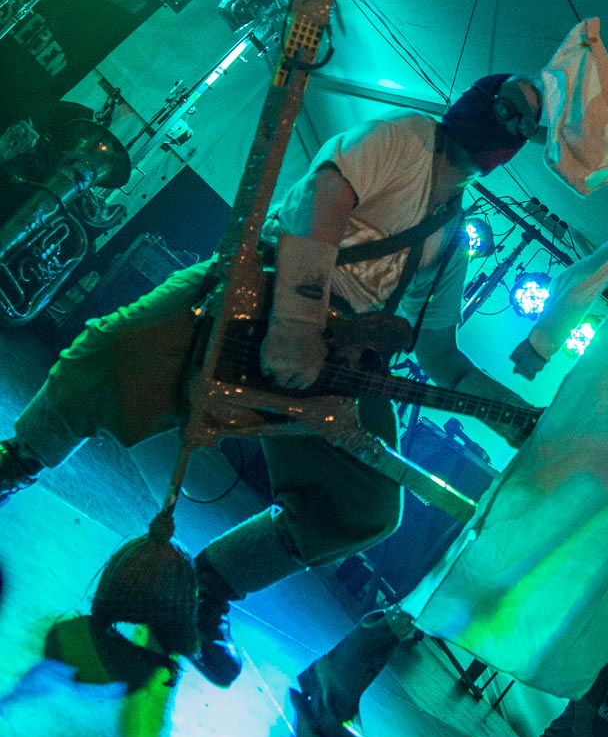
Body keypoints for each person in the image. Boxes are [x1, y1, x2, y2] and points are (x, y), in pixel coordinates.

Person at [0, 72, 542, 688]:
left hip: (339, 360)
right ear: (476, 99)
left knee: (365, 507)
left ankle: (208, 589)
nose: (511, 128)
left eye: (527, 126)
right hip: (261, 291)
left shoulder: (452, 238)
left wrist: (511, 415)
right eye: (507, 109)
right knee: (112, 353)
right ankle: (16, 461)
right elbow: (321, 200)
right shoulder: (403, 140)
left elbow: (442, 354)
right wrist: (296, 322)